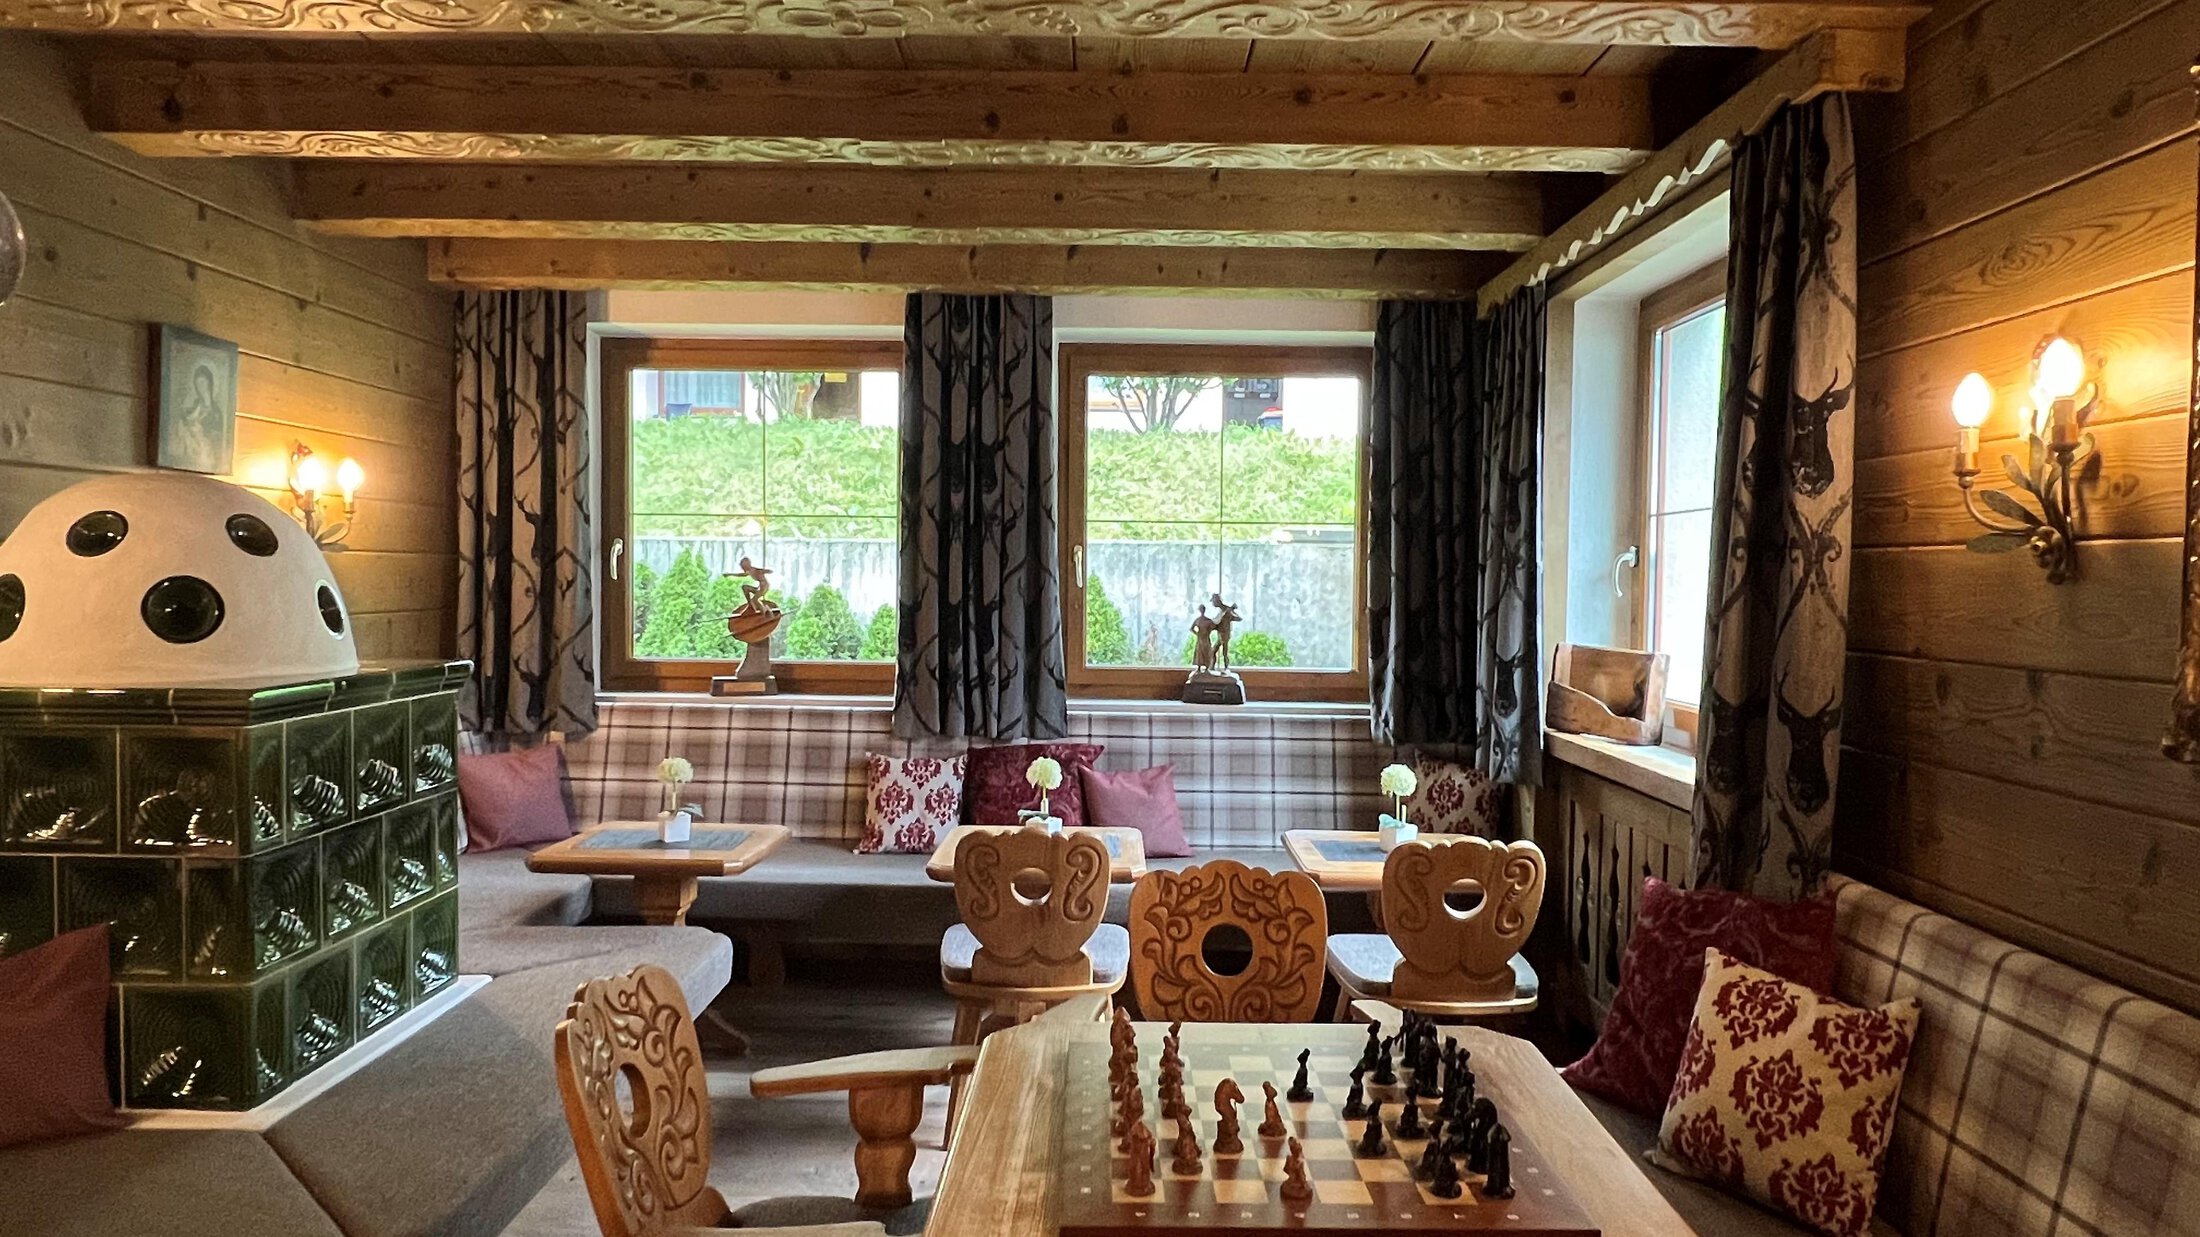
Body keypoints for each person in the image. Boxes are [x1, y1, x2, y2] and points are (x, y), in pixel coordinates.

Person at [1209, 593, 1243, 673]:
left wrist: (1231, 612)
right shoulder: (1221, 611)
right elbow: (1217, 622)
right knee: (1213, 651)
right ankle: (1212, 666)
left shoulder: (1227, 610)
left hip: (1225, 635)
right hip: (1220, 635)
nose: (1213, 603)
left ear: (1217, 601)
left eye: (1214, 601)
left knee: (1224, 652)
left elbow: (1238, 618)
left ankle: (1226, 667)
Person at [1188, 604, 1217, 674]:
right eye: (1201, 609)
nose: (1202, 611)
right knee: (1199, 652)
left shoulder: (1208, 620)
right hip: (1200, 638)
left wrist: (1208, 631)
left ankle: (1207, 667)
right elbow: (1191, 628)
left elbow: (1214, 626)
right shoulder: (1198, 620)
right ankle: (1199, 667)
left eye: (1202, 609)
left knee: (1207, 651)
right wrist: (1197, 633)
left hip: (1206, 638)